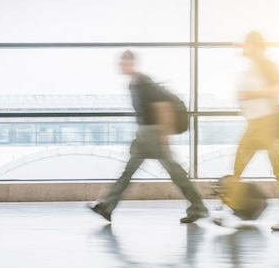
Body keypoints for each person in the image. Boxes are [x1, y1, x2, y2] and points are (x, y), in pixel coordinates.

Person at [89, 50, 209, 223]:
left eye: (123, 62)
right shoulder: (134, 83)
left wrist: (165, 133)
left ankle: (199, 207)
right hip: (146, 133)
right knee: (138, 172)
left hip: (153, 133)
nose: (121, 66)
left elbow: (163, 106)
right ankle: (107, 205)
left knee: (174, 172)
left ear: (130, 63)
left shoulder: (143, 82)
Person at [231, 31, 279, 231]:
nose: (243, 49)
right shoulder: (252, 68)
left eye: (246, 45)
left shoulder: (266, 64)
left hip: (267, 126)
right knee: (237, 168)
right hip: (254, 126)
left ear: (255, 46)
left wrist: (250, 94)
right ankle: (228, 210)